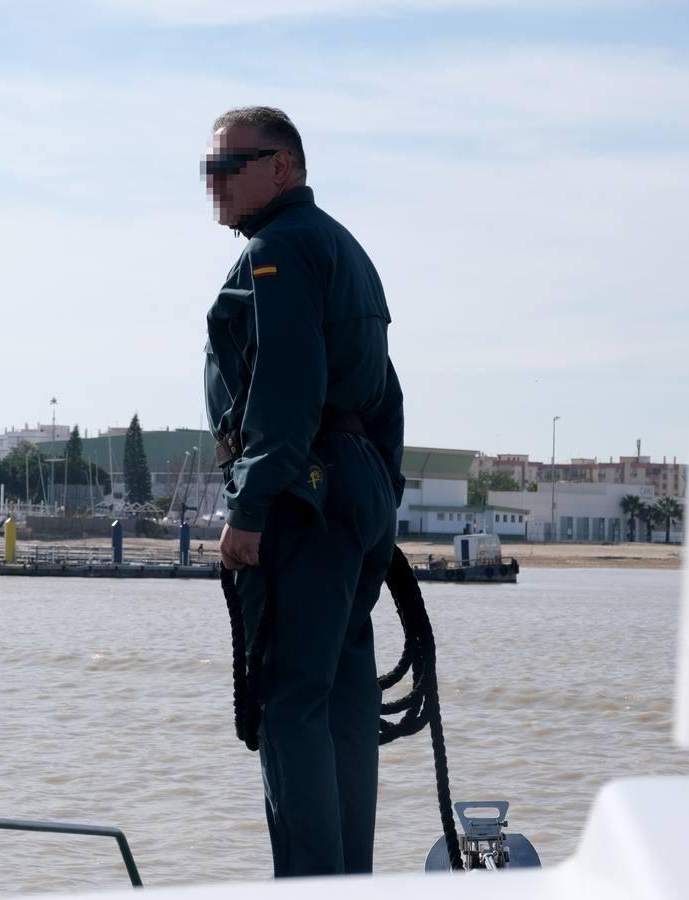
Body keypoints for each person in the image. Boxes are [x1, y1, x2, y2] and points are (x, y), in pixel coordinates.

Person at [201, 106, 406, 878]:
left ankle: (309, 890)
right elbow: (386, 393)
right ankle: (349, 884)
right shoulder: (346, 250)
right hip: (353, 489)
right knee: (344, 699)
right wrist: (376, 500)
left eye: (230, 166)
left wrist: (251, 509)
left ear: (283, 167)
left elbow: (286, 390)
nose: (214, 183)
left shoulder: (278, 251)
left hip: (301, 492)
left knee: (290, 699)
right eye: (210, 169)